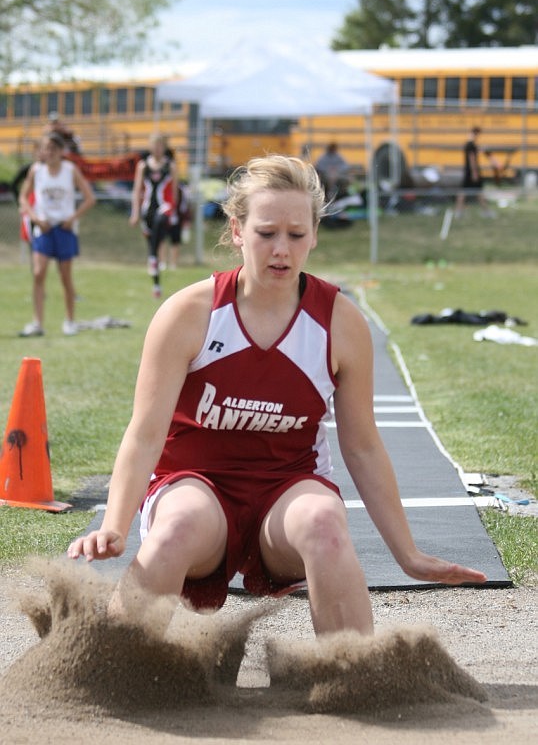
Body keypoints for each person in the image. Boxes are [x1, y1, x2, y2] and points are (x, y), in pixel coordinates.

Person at [68, 155, 486, 635]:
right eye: (266, 233)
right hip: (194, 485)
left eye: (296, 234)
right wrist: (115, 525)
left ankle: (356, 678)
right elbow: (144, 432)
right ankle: (109, 668)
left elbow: (363, 445)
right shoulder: (189, 313)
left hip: (286, 491)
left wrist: (408, 555)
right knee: (177, 528)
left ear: (314, 235)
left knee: (326, 522)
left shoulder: (340, 323)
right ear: (237, 229)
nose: (281, 250)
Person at [18, 132, 95, 337]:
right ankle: (37, 323)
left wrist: (72, 219)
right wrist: (35, 218)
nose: (49, 153)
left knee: (65, 277)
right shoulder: (37, 170)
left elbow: (89, 198)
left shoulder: (70, 170)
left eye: (53, 149)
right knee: (38, 273)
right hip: (43, 228)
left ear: (61, 151)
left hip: (64, 229)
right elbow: (23, 197)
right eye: (46, 148)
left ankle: (70, 321)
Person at [129, 134, 178, 297]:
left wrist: (174, 211)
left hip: (165, 207)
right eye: (154, 146)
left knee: (160, 221)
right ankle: (156, 285)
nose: (157, 149)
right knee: (152, 244)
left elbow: (174, 191)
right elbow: (137, 191)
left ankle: (152, 257)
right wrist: (135, 213)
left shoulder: (170, 166)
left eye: (160, 146)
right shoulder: (143, 166)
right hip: (147, 209)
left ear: (164, 148)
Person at [455, 127, 494, 217]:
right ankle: (486, 211)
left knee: (464, 192)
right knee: (477, 192)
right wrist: (474, 172)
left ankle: (459, 211)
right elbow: (472, 159)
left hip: (469, 171)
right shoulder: (471, 145)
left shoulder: (469, 144)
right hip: (472, 171)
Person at [158, 180, 191, 270]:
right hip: (164, 217)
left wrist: (186, 219)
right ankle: (162, 262)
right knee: (161, 240)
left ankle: (173, 264)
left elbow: (184, 206)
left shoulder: (181, 189)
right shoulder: (163, 187)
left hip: (176, 219)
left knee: (175, 242)